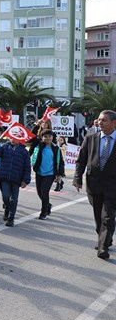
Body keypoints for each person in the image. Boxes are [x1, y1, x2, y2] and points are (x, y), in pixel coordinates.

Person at [73, 110, 116, 260]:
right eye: (99, 120)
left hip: (113, 187)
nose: (100, 123)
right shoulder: (91, 138)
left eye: (104, 120)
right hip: (94, 185)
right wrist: (77, 179)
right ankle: (105, 237)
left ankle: (103, 247)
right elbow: (81, 160)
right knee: (99, 217)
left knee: (108, 217)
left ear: (114, 123)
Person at [0, 132, 31, 227]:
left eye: (15, 137)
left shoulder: (24, 151)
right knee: (6, 196)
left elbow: (27, 167)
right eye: (11, 137)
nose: (13, 139)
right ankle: (7, 209)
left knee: (14, 199)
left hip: (16, 178)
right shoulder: (5, 147)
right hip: (4, 177)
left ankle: (11, 218)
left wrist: (26, 180)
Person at [31, 130, 64, 220]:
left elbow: (60, 162)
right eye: (45, 136)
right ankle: (48, 205)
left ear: (52, 137)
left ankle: (43, 212)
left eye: (50, 136)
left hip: (50, 174)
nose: (48, 138)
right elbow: (32, 137)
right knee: (39, 193)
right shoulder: (39, 146)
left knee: (44, 192)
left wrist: (60, 174)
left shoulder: (55, 148)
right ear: (42, 138)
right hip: (39, 173)